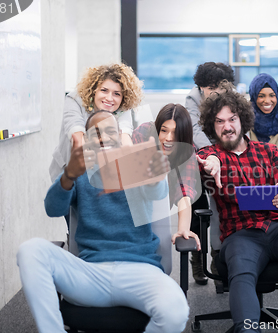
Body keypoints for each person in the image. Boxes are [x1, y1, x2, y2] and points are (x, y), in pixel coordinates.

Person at [17, 111, 189, 333]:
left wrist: (155, 176)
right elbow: (52, 209)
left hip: (140, 270)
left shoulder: (138, 167)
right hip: (90, 272)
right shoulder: (78, 173)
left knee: (176, 311)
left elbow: (158, 191)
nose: (102, 137)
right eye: (95, 133)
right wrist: (68, 174)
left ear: (119, 135)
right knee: (30, 250)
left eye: (109, 131)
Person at [196, 82, 278, 333]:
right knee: (241, 273)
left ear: (243, 120)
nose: (227, 126)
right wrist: (212, 161)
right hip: (241, 233)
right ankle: (247, 328)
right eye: (219, 122)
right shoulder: (211, 155)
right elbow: (206, 158)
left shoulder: (270, 152)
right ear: (212, 126)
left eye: (232, 119)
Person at [49, 63, 142, 182]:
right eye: (104, 90)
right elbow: (77, 137)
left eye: (116, 94)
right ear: (94, 91)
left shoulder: (122, 108)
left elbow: (125, 137)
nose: (109, 98)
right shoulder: (75, 100)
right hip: (68, 168)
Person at [185, 62, 235, 285]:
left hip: (222, 154)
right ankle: (197, 259)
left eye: (218, 87)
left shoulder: (229, 95)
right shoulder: (192, 99)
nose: (214, 92)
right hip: (196, 155)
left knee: (220, 207)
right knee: (196, 208)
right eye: (209, 87)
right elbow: (194, 129)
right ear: (200, 86)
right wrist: (210, 153)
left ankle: (217, 259)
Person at [132, 103, 201, 251]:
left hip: (159, 210)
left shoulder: (187, 151)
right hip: (134, 208)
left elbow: (185, 191)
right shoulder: (144, 133)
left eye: (175, 133)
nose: (168, 138)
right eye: (164, 130)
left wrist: (184, 228)